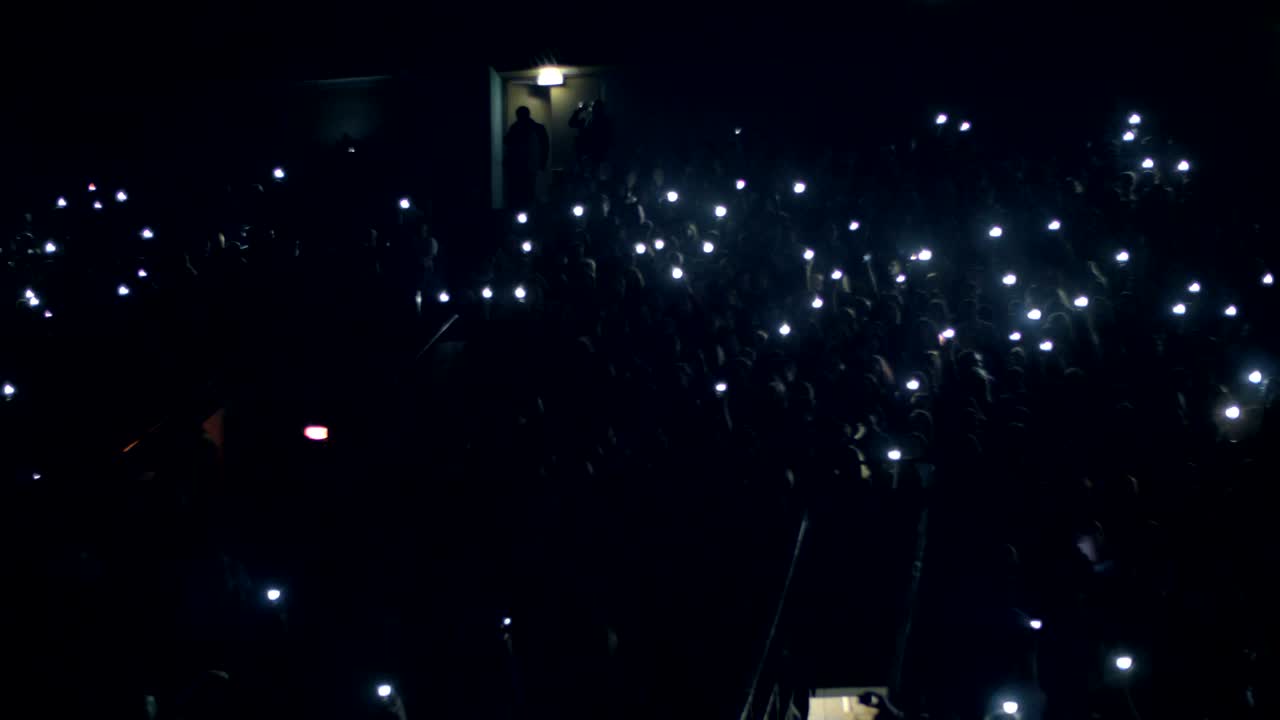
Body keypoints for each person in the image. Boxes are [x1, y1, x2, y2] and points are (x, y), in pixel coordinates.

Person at [503, 106, 549, 210]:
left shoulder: (516, 127)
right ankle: (529, 210)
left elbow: (507, 142)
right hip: (528, 164)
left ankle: (524, 210)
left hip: (521, 165)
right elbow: (545, 147)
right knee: (529, 189)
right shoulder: (536, 128)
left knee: (523, 191)